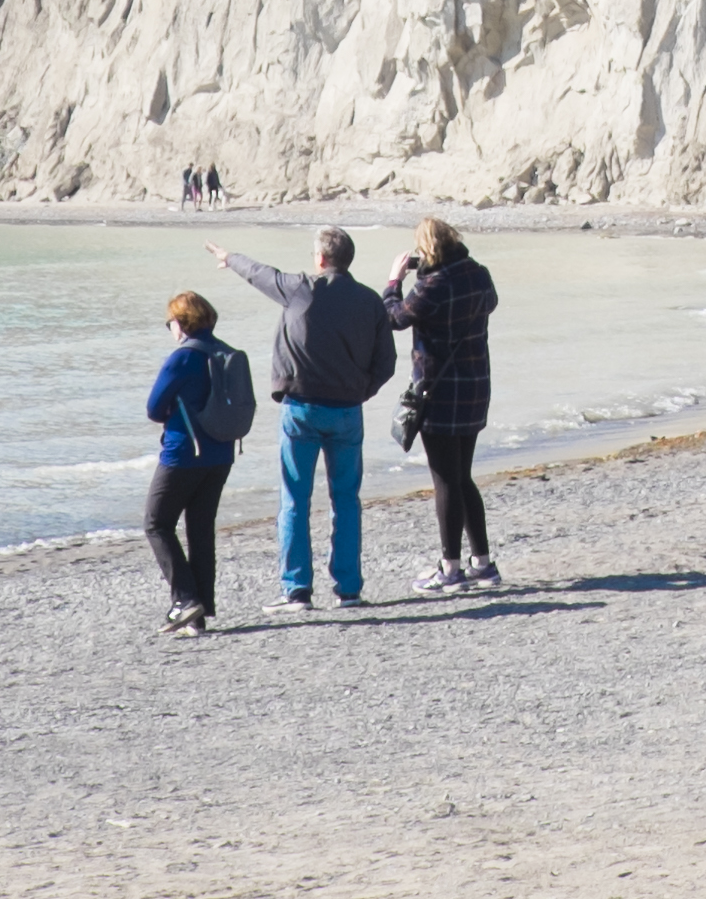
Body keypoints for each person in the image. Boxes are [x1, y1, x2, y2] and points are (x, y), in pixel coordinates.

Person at [221, 225, 400, 604]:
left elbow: (259, 273)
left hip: (302, 409)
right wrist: (361, 391)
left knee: (295, 500)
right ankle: (348, 589)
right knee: (346, 500)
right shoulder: (369, 301)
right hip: (347, 411)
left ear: (320, 259)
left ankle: (297, 588)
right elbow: (387, 363)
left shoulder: (302, 288)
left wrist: (228, 258)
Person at [383, 216, 502, 592]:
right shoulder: (479, 275)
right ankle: (482, 564)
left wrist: (393, 282)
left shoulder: (432, 287)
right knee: (462, 476)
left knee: (446, 481)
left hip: (438, 393)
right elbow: (491, 303)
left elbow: (394, 317)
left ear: (428, 250)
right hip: (475, 388)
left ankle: (450, 569)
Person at [140, 291, 247, 634]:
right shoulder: (226, 353)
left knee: (156, 523)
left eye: (170, 322)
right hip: (221, 454)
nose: (170, 327)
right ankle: (198, 613)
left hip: (184, 453)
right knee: (200, 530)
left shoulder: (182, 358)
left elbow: (154, 408)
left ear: (182, 323)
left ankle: (185, 601)